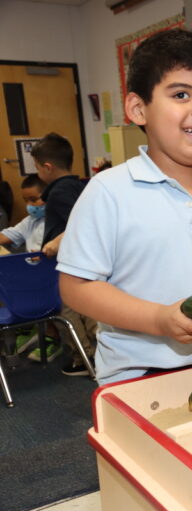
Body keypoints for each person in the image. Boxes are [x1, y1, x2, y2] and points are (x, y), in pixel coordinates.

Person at [57, 29, 192, 385]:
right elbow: (76, 287)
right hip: (137, 374)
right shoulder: (109, 191)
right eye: (181, 94)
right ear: (138, 108)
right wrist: (159, 319)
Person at [31, 133, 97, 370]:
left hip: (68, 264)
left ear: (47, 167)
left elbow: (83, 223)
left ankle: (84, 358)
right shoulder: (80, 186)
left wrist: (56, 241)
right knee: (86, 311)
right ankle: (90, 356)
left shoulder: (59, 193)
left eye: (37, 167)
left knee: (70, 312)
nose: (37, 172)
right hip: (84, 263)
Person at [0, 174, 54, 357]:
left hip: (50, 282)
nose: (30, 205)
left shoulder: (56, 222)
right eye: (26, 201)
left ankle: (47, 334)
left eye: (34, 199)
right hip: (35, 281)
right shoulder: (30, 221)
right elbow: (8, 235)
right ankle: (31, 328)